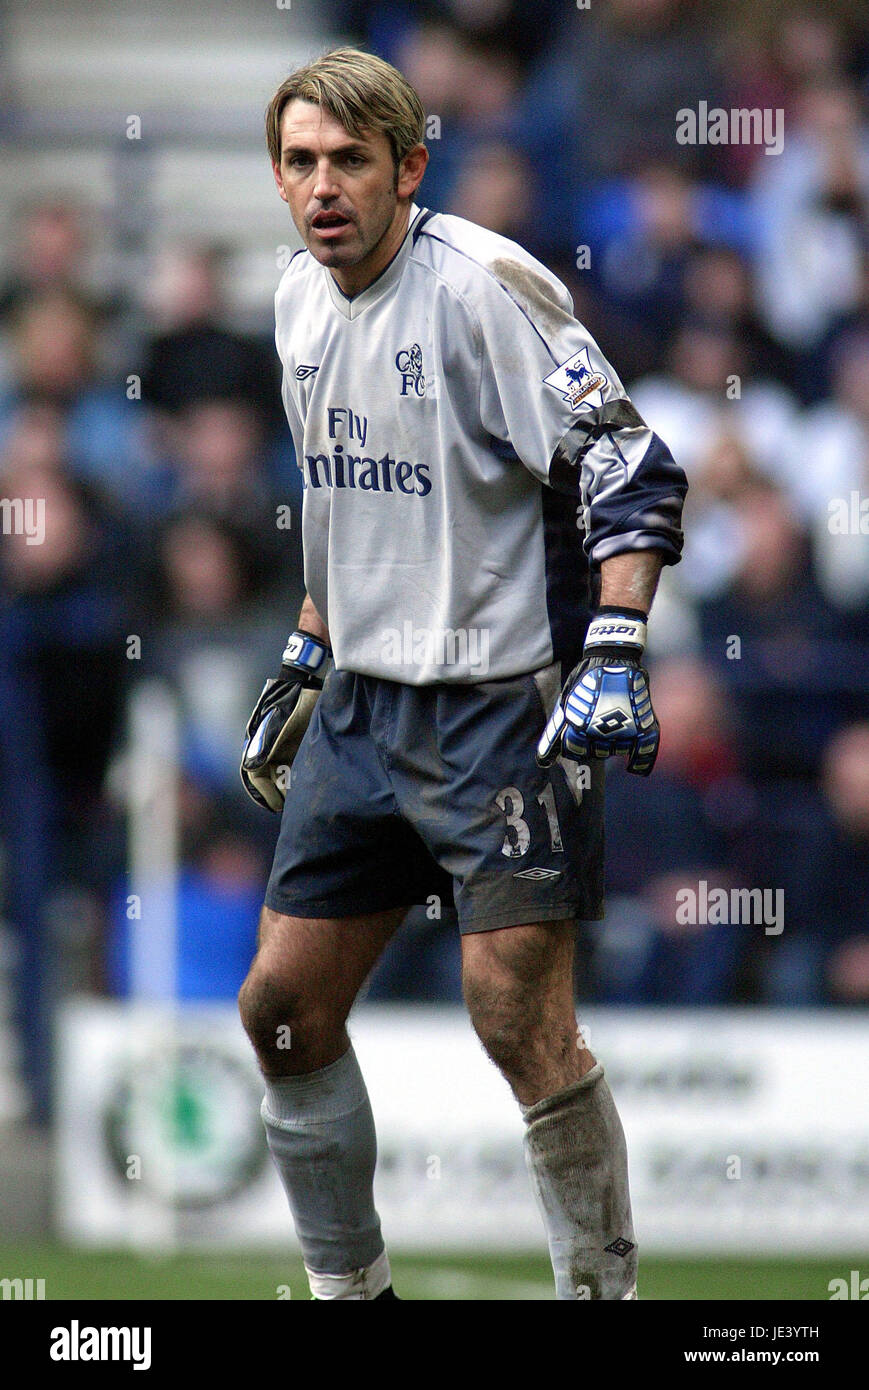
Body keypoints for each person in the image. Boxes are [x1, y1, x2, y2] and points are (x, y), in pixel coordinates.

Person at [237, 47, 687, 1301]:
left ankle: (601, 1294)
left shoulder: (486, 287)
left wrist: (613, 643)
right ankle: (351, 1293)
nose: (323, 187)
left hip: (499, 708)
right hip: (361, 705)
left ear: (407, 168)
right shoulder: (292, 298)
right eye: (299, 162)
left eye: (348, 161)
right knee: (280, 1013)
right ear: (277, 180)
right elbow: (341, 497)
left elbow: (632, 471)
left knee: (514, 1020)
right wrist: (309, 642)